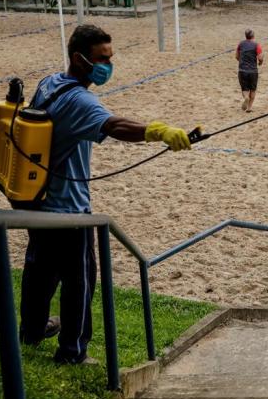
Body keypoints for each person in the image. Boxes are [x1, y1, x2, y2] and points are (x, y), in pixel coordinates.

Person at [18, 24, 191, 365]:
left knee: (39, 272)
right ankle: (72, 352)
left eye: (110, 58)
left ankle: (33, 330)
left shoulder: (50, 83)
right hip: (69, 210)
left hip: (38, 202)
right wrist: (159, 131)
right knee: (80, 282)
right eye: (101, 59)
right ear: (78, 59)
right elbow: (115, 126)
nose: (108, 65)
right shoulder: (81, 100)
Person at [235, 29, 264, 113]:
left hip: (242, 70)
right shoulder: (256, 45)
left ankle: (246, 97)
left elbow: (236, 56)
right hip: (253, 71)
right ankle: (249, 107)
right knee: (253, 89)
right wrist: (260, 62)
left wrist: (242, 61)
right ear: (253, 36)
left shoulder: (241, 44)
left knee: (244, 89)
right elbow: (260, 58)